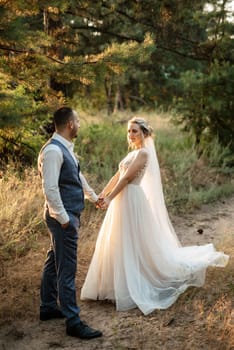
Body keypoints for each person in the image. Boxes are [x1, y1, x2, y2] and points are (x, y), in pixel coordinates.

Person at [80, 117, 229, 315]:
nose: (131, 134)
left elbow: (126, 179)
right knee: (116, 239)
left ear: (144, 133)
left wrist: (110, 199)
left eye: (135, 131)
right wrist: (102, 194)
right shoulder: (132, 153)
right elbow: (117, 175)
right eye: (129, 131)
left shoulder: (143, 154)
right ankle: (111, 285)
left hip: (131, 199)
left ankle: (131, 285)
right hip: (120, 200)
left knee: (132, 241)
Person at [38, 107, 102, 339]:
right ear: (70, 124)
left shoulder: (64, 148)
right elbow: (51, 190)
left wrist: (94, 197)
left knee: (53, 259)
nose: (79, 124)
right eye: (78, 120)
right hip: (62, 218)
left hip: (64, 216)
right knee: (67, 270)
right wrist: (65, 220)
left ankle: (47, 307)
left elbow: (76, 176)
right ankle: (73, 322)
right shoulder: (54, 151)